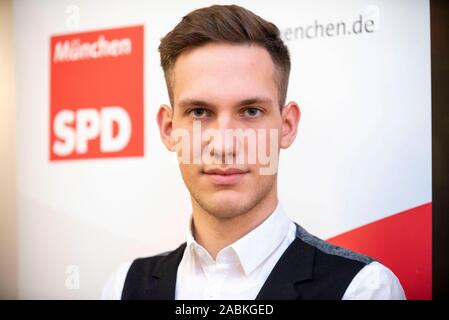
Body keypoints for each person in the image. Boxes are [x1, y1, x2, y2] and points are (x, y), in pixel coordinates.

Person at [102, 4, 405, 300]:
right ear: (168, 130)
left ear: (287, 126)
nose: (224, 145)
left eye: (250, 111)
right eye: (198, 112)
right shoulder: (123, 287)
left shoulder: (363, 290)